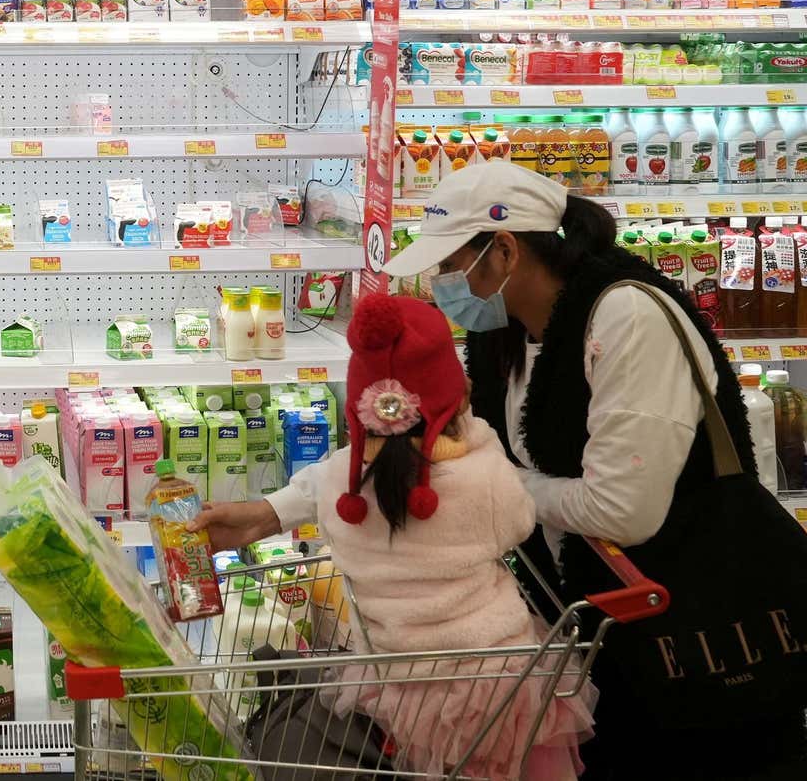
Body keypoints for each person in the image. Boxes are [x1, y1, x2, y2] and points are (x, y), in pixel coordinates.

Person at [195, 161, 807, 780]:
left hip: (695, 631)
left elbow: (626, 510)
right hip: (591, 629)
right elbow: (409, 441)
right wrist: (271, 513)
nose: (441, 283)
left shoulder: (627, 318)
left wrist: (480, 486)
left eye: (450, 264)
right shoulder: (503, 331)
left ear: (504, 251)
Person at [215, 291, 597, 779]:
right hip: (499, 682)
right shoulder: (486, 477)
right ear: (457, 393)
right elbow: (520, 524)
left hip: (398, 688)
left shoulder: (339, 489)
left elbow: (337, 476)